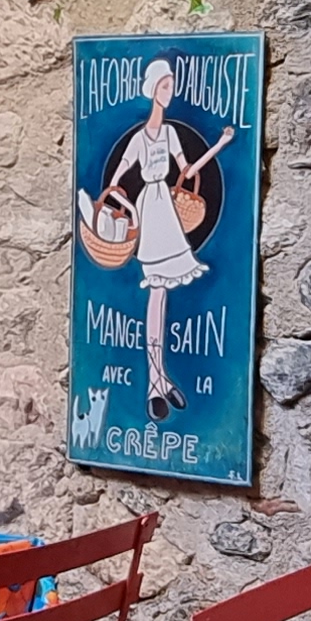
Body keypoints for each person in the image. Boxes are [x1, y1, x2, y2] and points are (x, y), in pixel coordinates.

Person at [78, 58, 231, 421]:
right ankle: (154, 382)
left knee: (161, 297)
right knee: (156, 296)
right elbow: (115, 180)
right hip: (149, 209)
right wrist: (119, 200)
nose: (170, 91)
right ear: (153, 89)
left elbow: (188, 171)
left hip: (167, 210)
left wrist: (220, 145)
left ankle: (159, 380)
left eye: (172, 85)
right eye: (165, 85)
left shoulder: (171, 134)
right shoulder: (138, 139)